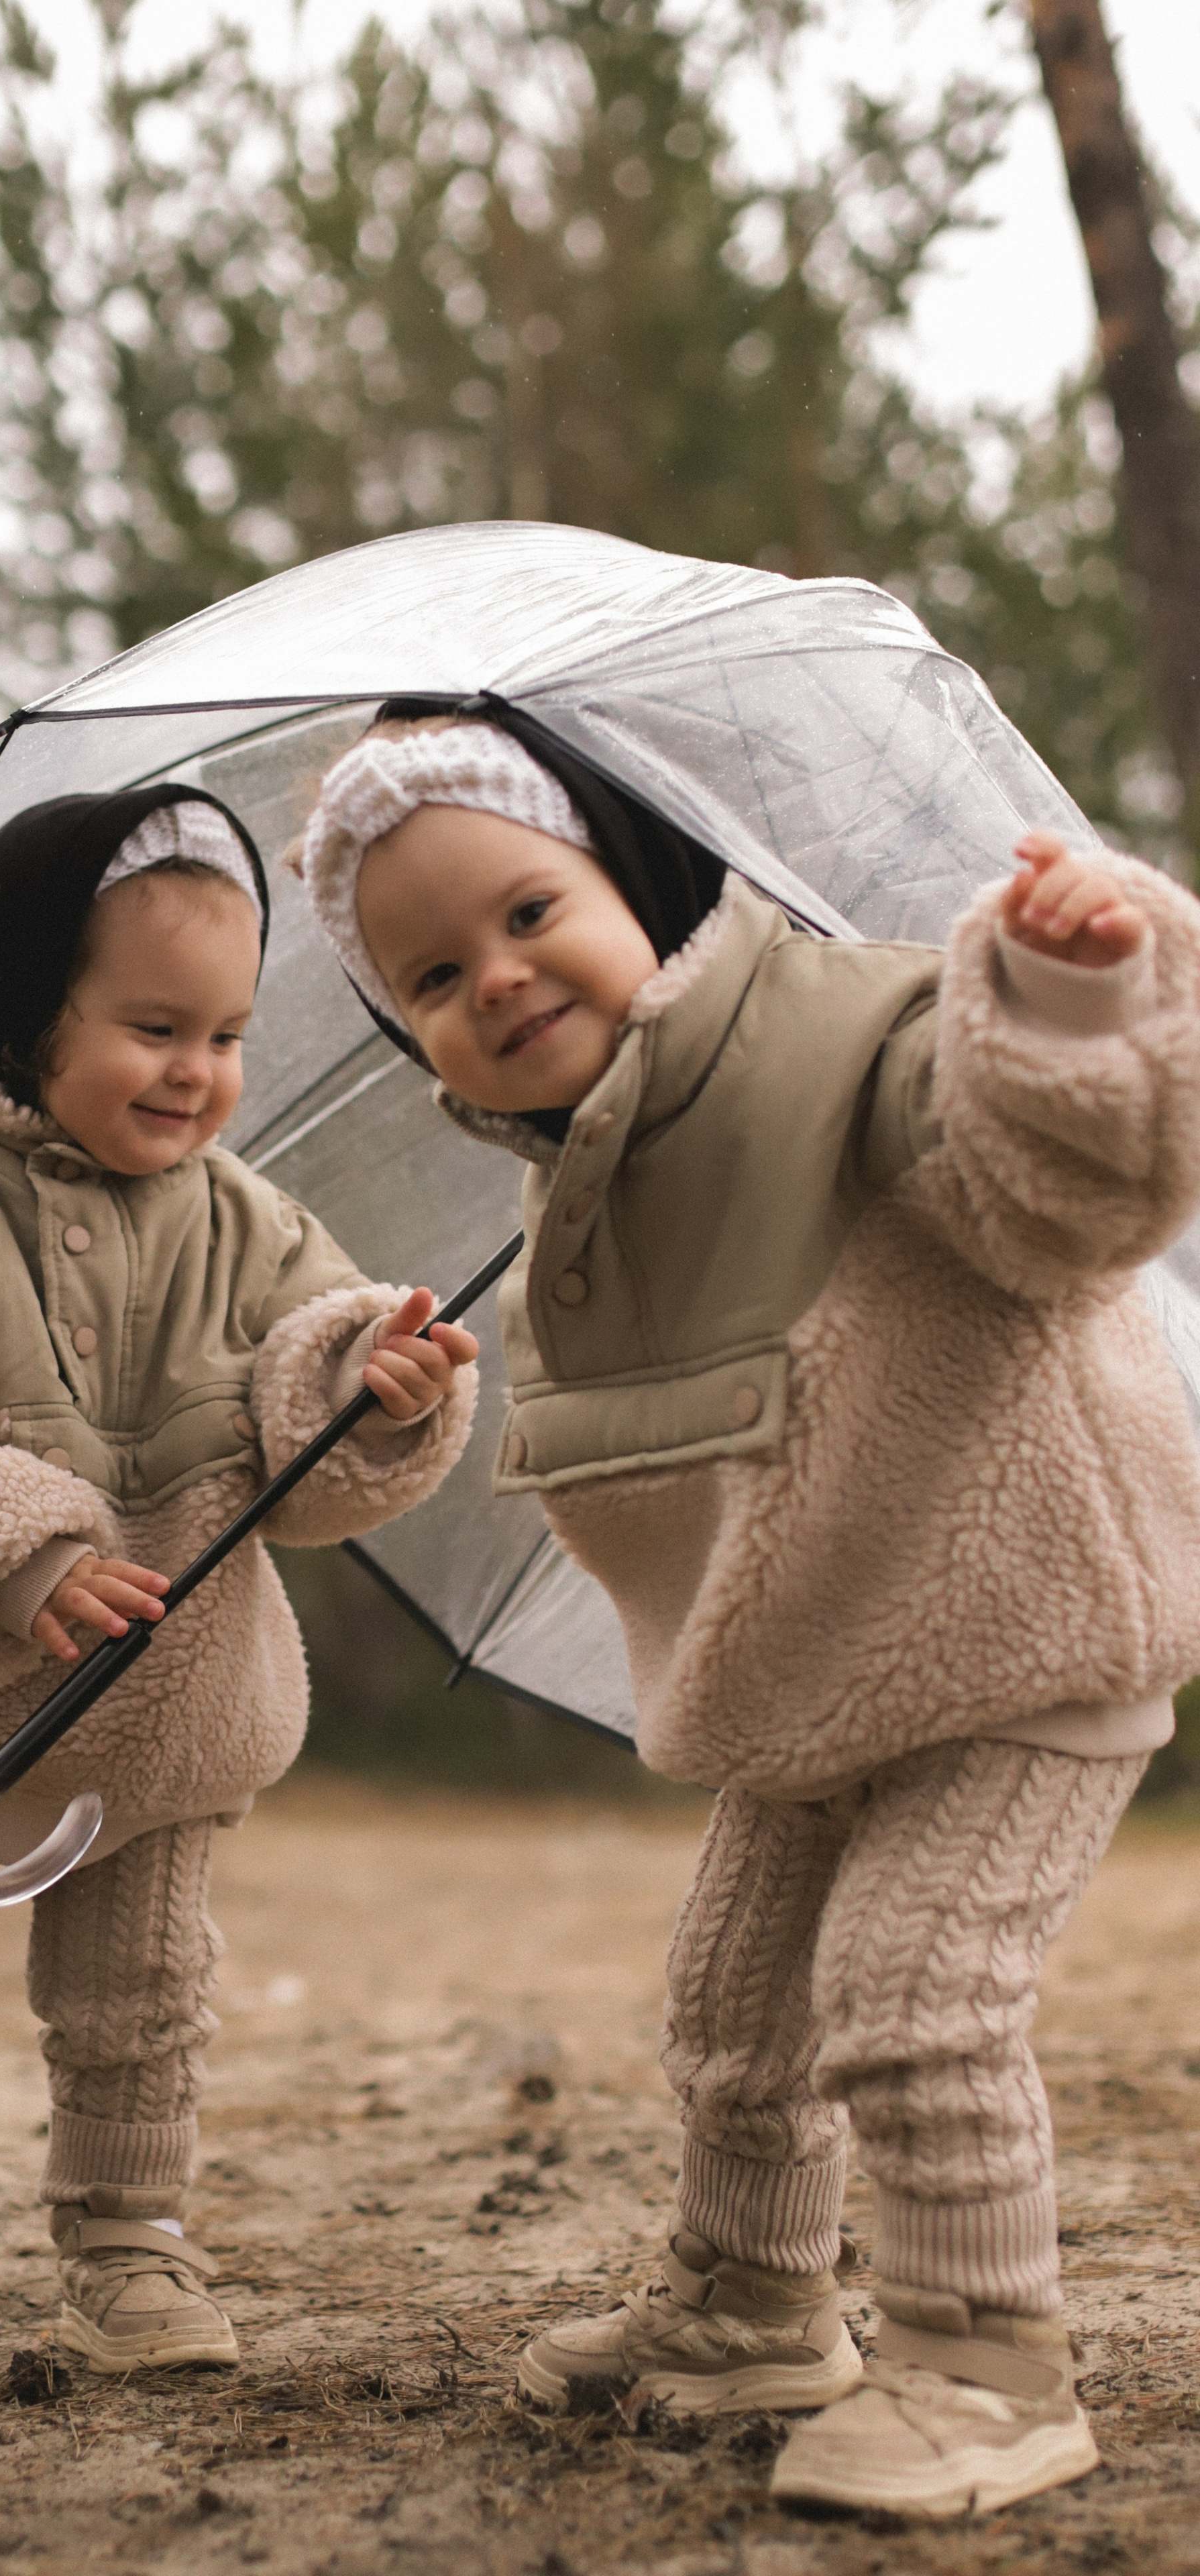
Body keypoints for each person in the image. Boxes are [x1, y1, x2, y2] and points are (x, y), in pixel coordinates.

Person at [296, 710, 1200, 2520]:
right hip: (820, 1659)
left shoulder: (848, 1030)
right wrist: (386, 1393)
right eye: (434, 977)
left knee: (914, 1988)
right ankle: (750, 2303)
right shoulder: (584, 1189)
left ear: (632, 869)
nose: (498, 977)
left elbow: (1069, 1196)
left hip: (1025, 1626)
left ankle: (982, 2361)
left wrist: (1068, 1000)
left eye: (532, 907)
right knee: (735, 2000)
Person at [0, 786, 478, 2422]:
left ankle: (129, 2242)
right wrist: (19, 1548)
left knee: (141, 2009)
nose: (196, 1071)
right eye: (150, 1026)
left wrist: (379, 1388)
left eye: (222, 1032)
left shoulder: (252, 1222)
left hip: (160, 1717)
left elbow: (308, 1401)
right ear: (19, 1013)